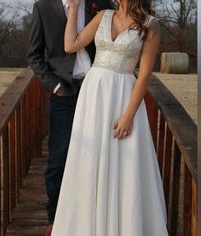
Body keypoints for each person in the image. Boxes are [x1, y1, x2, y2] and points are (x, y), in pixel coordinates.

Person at [51, 0, 169, 235]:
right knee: (89, 158)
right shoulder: (103, 16)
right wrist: (73, 8)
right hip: (94, 97)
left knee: (125, 162)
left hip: (124, 97)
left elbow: (144, 74)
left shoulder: (150, 25)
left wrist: (128, 115)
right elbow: (70, 45)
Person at [27, 0, 113, 235]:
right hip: (65, 92)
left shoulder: (102, 3)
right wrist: (55, 87)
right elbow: (34, 57)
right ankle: (54, 218)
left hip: (98, 91)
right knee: (59, 159)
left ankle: (93, 214)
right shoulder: (43, 7)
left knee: (98, 155)